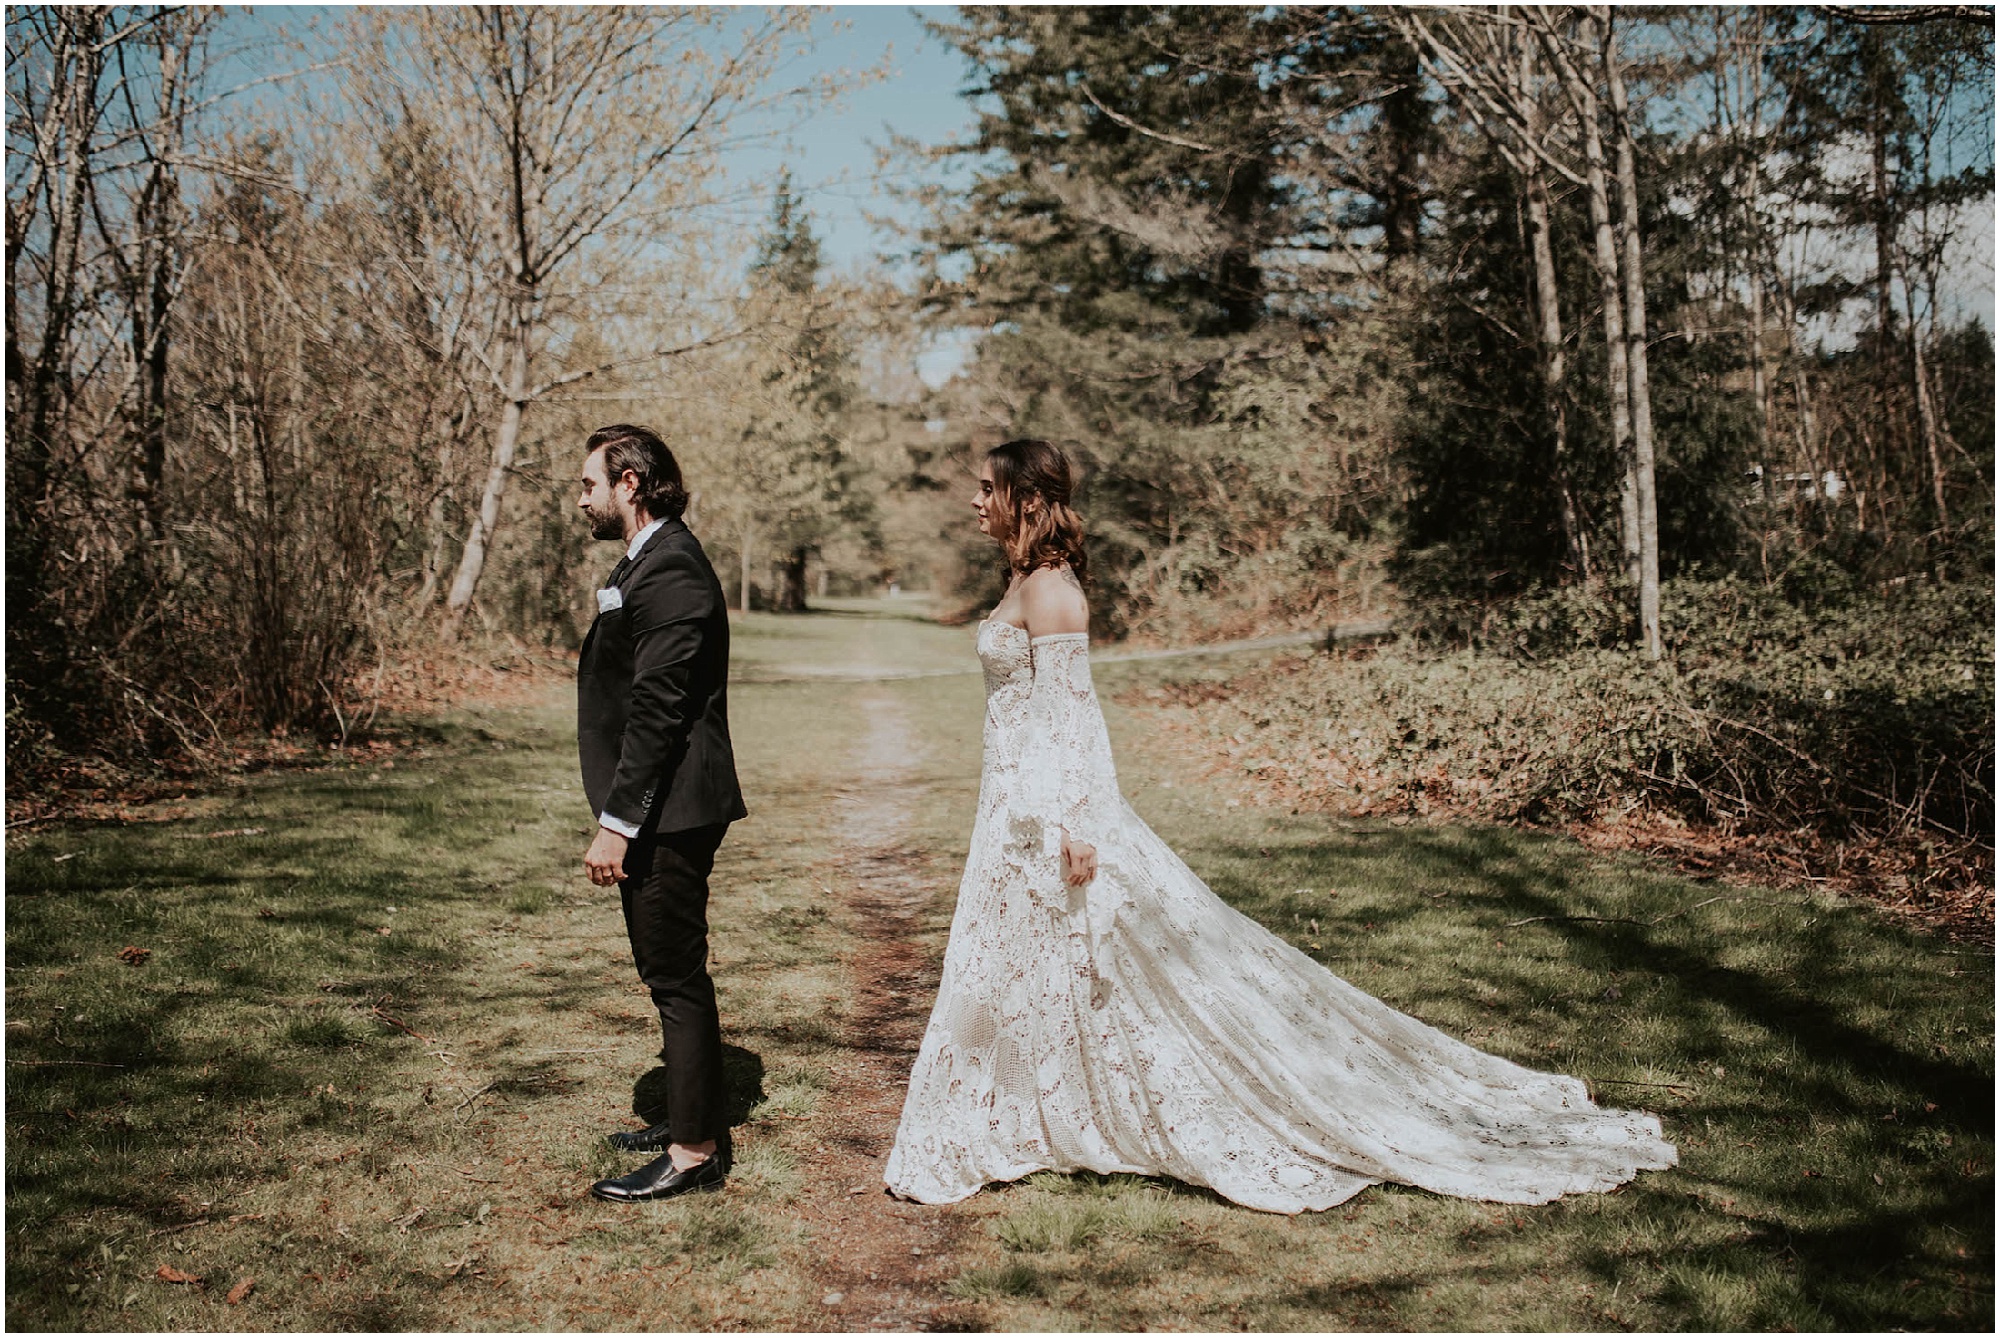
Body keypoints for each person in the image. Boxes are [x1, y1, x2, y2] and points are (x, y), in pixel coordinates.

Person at [883, 439, 1677, 1214]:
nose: (975, 499)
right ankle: (1024, 1111)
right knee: (1021, 966)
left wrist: (1074, 823)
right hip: (1014, 805)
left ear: (1024, 498)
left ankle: (1058, 1111)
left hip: (1045, 811)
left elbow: (1073, 721)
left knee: (1101, 966)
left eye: (986, 486)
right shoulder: (1027, 580)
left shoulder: (1052, 590)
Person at [574, 424, 747, 1203]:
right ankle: (687, 1113)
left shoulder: (671, 566)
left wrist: (618, 820)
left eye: (589, 484)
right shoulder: (645, 558)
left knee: (675, 977)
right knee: (665, 971)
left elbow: (658, 710)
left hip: (670, 808)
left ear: (630, 482)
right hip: (661, 805)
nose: (581, 497)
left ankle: (693, 1151)